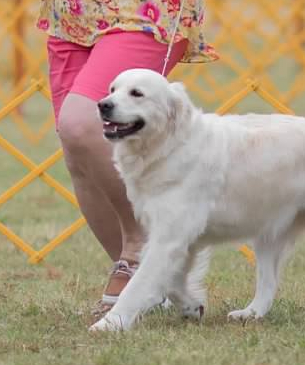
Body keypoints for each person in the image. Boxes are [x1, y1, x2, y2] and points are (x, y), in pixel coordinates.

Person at [36, 0, 218, 315]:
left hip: (140, 11)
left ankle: (139, 250)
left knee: (80, 124)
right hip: (70, 13)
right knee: (78, 150)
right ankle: (148, 278)